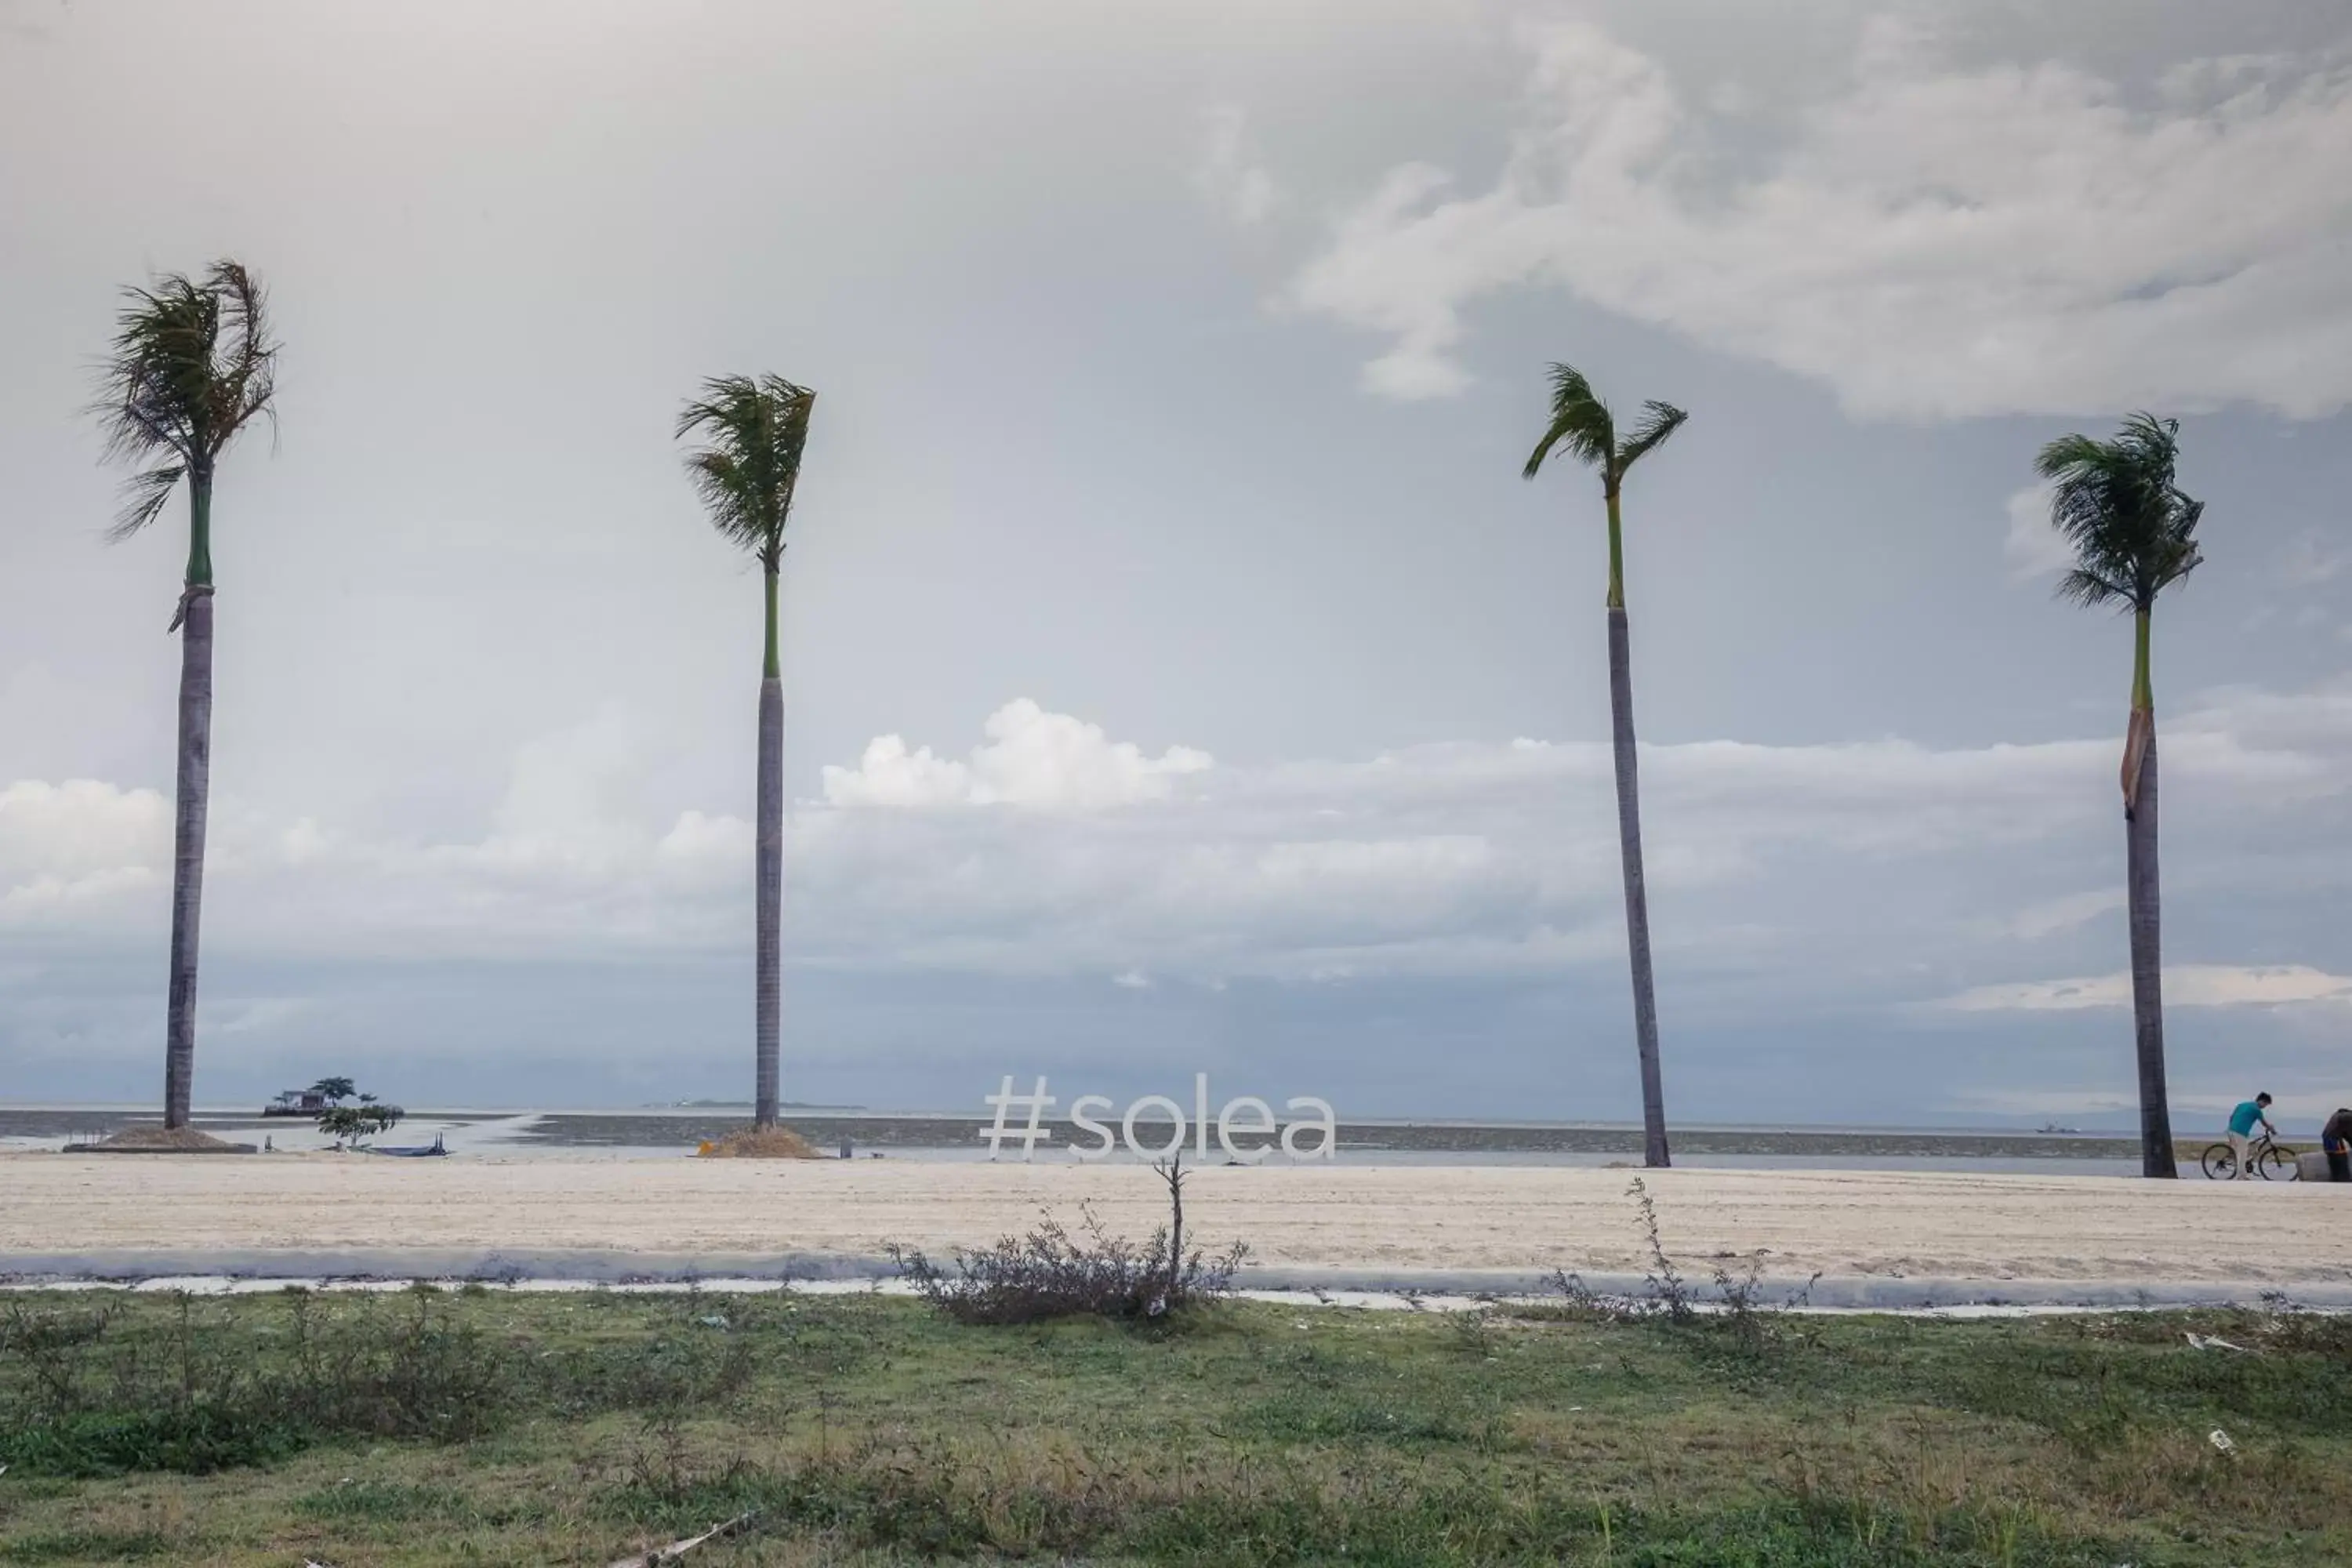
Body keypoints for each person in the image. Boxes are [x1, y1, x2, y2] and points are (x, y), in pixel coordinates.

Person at [2226, 1093, 2275, 1180]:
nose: (2265, 1107)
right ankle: (2241, 1176)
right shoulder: (2257, 1110)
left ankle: (2235, 1164)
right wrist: (2272, 1129)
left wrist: (2231, 1128)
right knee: (2243, 1153)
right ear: (2261, 1101)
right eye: (2265, 1104)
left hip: (2231, 1130)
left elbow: (2231, 1117)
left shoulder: (2242, 1105)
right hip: (2240, 1132)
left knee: (2238, 1151)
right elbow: (2264, 1123)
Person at [2321, 1106, 2352, 1185]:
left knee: (2333, 1161)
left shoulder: (2341, 1116)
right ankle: (2343, 1181)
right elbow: (2349, 1134)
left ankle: (2335, 1180)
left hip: (2327, 1138)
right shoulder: (2348, 1118)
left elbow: (2346, 1134)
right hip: (2334, 1139)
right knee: (2341, 1160)